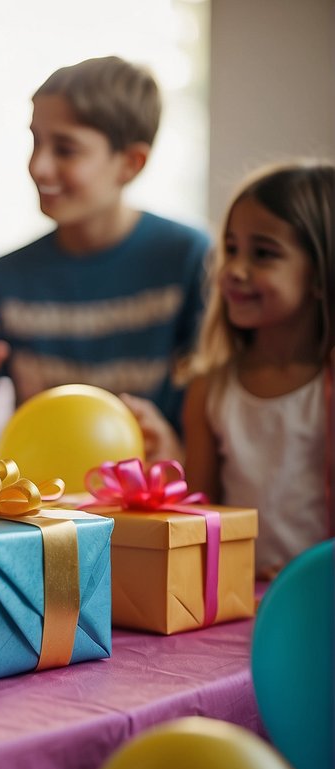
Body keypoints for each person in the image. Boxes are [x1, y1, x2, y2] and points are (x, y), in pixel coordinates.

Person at [0, 56, 210, 434]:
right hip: (45, 490)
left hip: (154, 490)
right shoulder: (6, 275)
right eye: (35, 140)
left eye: (65, 149)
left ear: (131, 163)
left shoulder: (189, 258)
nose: (38, 166)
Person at [137, 162, 335, 579]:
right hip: (233, 598)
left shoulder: (326, 386)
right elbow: (200, 515)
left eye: (263, 253)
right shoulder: (211, 387)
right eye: (231, 248)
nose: (235, 270)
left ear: (320, 274)